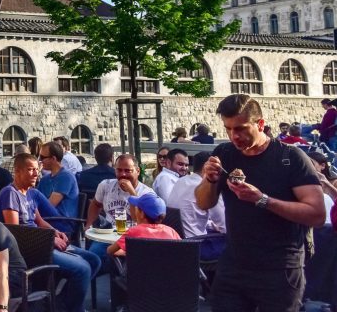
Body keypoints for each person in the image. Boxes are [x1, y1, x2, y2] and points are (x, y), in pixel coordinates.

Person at [195, 94, 325, 312]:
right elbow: (203, 203)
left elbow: (317, 214)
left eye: (241, 128)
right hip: (234, 265)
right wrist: (209, 179)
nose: (234, 136)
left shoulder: (290, 157)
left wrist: (263, 200)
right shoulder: (224, 153)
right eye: (228, 129)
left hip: (280, 268)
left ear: (260, 124)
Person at [0, 153, 99, 312]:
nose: (35, 174)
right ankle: (71, 308)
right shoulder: (10, 193)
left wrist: (56, 232)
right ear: (17, 171)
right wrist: (50, 240)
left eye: (37, 169)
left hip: (42, 241)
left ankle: (61, 303)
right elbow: (15, 233)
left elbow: (40, 221)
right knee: (83, 269)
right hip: (31, 250)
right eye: (30, 170)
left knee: (94, 260)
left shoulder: (29, 192)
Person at [85, 153, 155, 265]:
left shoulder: (147, 193)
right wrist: (89, 224)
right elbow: (95, 204)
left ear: (137, 171)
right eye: (119, 170)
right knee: (92, 255)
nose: (123, 174)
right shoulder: (105, 185)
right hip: (108, 235)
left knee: (105, 258)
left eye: (128, 171)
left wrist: (132, 192)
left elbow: (138, 219)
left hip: (133, 238)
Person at [166, 152, 227, 261]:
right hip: (197, 246)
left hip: (176, 242)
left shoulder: (181, 181)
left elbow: (190, 214)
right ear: (207, 167)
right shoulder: (208, 188)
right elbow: (225, 225)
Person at [106, 193, 179, 258]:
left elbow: (110, 251)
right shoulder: (171, 231)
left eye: (137, 208)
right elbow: (181, 250)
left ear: (142, 214)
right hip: (167, 272)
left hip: (137, 272)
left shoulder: (133, 231)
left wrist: (126, 253)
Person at [37, 140, 80, 235]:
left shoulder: (66, 177)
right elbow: (35, 201)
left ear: (53, 158)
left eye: (43, 157)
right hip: (47, 221)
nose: (39, 160)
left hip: (62, 224)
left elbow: (49, 206)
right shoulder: (45, 179)